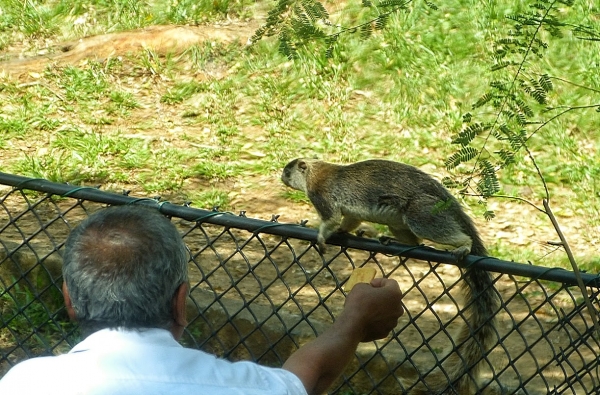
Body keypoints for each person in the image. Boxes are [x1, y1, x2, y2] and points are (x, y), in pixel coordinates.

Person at [0, 205, 404, 395]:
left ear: (69, 300)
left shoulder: (26, 383)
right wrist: (353, 322)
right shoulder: (241, 388)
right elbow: (307, 377)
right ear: (181, 302)